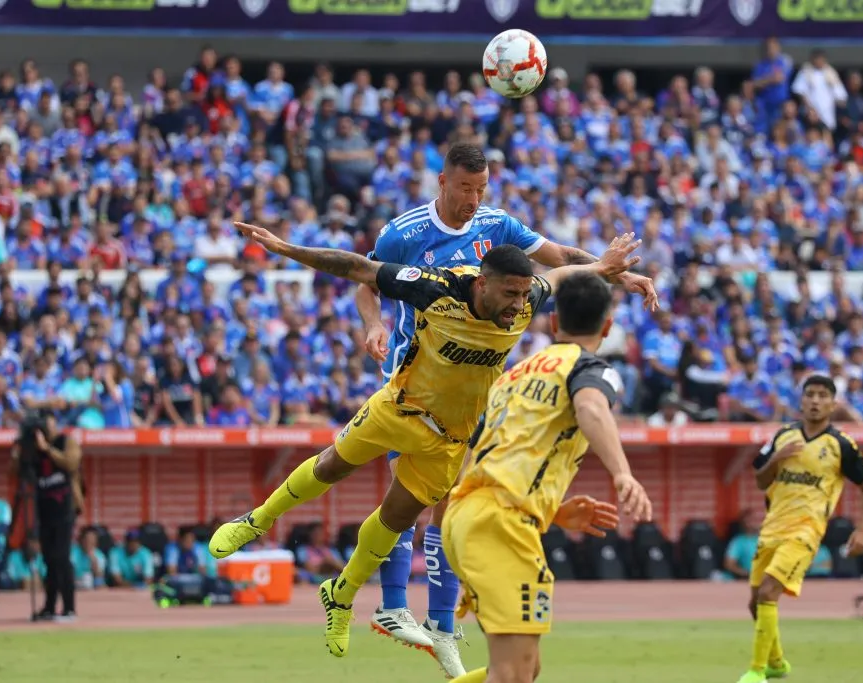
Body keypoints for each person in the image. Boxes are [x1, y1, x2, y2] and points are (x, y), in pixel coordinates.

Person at [208, 222, 643, 664]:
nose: (518, 305)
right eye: (509, 294)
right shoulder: (437, 288)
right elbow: (358, 267)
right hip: (400, 408)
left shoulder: (529, 296)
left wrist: (606, 268)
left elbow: (564, 273)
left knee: (396, 517)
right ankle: (258, 520)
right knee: (330, 468)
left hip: (451, 439)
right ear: (482, 284)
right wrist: (284, 248)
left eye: (522, 294)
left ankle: (341, 593)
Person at [355, 142, 656, 676]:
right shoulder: (402, 233)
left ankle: (443, 625)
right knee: (414, 491)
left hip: (480, 381)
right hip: (412, 376)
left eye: (481, 188)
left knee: (451, 498)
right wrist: (374, 325)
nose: (473, 199)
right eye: (465, 188)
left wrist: (616, 273)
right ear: (442, 181)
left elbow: (560, 257)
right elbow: (366, 280)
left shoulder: (498, 224)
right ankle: (393, 605)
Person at [442, 271, 653, 683]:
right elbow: (592, 409)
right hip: (501, 526)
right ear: (606, 328)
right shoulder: (592, 367)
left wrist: (551, 511)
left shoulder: (514, 375)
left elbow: (484, 455)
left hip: (468, 515)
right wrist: (623, 474)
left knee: (524, 667)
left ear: (554, 324)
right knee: (514, 673)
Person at [737, 374, 863, 683]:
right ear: (801, 401)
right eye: (810, 394)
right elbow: (760, 479)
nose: (815, 400)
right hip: (772, 526)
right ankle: (776, 663)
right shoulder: (782, 435)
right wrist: (776, 459)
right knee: (755, 603)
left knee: (769, 591)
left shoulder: (841, 445)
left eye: (822, 395)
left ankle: (757, 672)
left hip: (806, 531)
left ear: (833, 403)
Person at [14, 411, 83, 621]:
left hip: (64, 508)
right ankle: (50, 606)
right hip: (44, 510)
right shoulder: (33, 448)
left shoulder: (66, 442)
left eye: (48, 422)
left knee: (61, 558)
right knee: (48, 559)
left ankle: (69, 608)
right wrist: (21, 452)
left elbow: (71, 463)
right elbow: (19, 473)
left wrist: (48, 449)